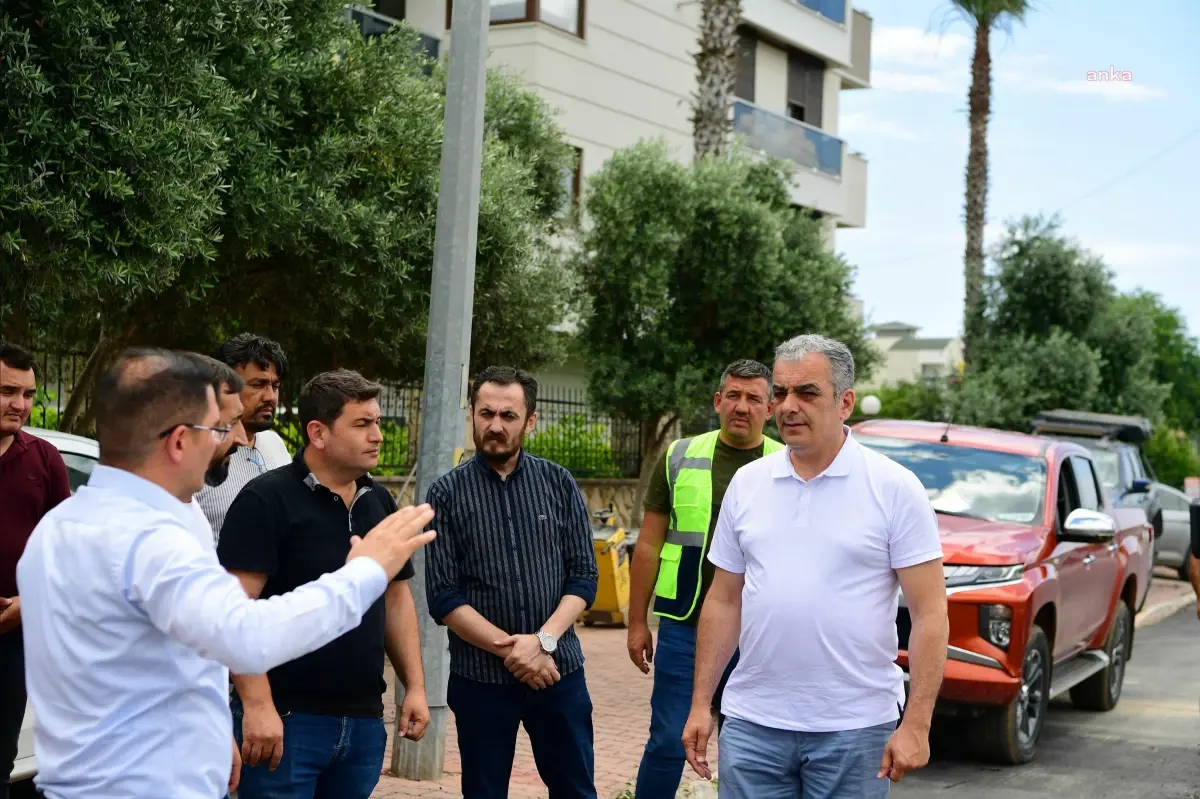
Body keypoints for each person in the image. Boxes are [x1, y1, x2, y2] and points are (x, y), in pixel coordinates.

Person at [16, 348, 436, 799]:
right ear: (179, 441)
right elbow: (245, 636)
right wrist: (365, 570)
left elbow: (174, 656)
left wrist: (213, 729)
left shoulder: (61, 527)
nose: (236, 440)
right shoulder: (146, 540)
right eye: (221, 428)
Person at [682, 334, 949, 798]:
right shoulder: (748, 484)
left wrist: (918, 724)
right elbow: (724, 600)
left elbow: (930, 614)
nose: (788, 406)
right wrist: (702, 703)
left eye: (806, 393)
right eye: (781, 393)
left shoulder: (894, 488)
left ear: (845, 402)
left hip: (855, 728)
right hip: (752, 725)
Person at [217, 369, 429, 799]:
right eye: (362, 424)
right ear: (318, 432)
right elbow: (231, 613)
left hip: (364, 723)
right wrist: (258, 706)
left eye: (378, 423)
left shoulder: (380, 502)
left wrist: (416, 688)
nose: (378, 436)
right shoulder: (266, 500)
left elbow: (396, 600)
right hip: (287, 721)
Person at [424, 366, 600, 799]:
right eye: (486, 414)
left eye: (508, 415)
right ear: (473, 414)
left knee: (576, 790)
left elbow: (584, 577)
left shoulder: (558, 483)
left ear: (531, 420)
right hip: (480, 679)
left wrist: (543, 642)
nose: (495, 426)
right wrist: (515, 650)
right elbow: (444, 597)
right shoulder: (445, 494)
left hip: (558, 673)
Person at [628, 359, 782, 798]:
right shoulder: (679, 455)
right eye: (733, 395)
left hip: (758, 632)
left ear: (768, 409)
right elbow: (648, 545)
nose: (742, 406)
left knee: (749, 750)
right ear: (717, 401)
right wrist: (637, 622)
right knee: (666, 742)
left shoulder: (787, 461)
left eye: (754, 398)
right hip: (685, 626)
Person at [0, 343, 71, 799]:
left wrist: (31, 602)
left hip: (12, 640)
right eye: (8, 391)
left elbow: (68, 555)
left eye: (28, 394)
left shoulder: (44, 459)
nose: (20, 405)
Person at [196, 334, 292, 542]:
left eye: (274, 386)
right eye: (258, 384)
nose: (270, 397)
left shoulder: (274, 443)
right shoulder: (204, 452)